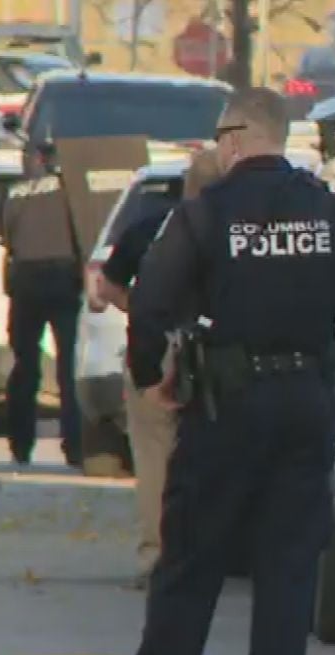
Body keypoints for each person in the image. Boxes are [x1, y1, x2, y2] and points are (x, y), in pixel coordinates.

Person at [122, 87, 335, 655]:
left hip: (225, 408)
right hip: (306, 407)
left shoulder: (204, 214)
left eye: (218, 139)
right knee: (288, 575)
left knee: (190, 566)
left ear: (235, 140)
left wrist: (151, 376)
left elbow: (150, 303)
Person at [88, 146, 223, 587]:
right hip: (223, 351)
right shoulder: (240, 231)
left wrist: (140, 309)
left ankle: (158, 555)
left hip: (157, 347)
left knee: (154, 460)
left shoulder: (151, 227)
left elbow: (107, 285)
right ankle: (213, 554)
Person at [0, 141, 82, 467]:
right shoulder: (71, 189)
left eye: (25, 157)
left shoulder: (10, 193)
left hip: (25, 282)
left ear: (37, 159)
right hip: (65, 278)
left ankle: (21, 444)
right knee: (69, 365)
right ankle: (75, 444)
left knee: (24, 366)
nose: (22, 162)